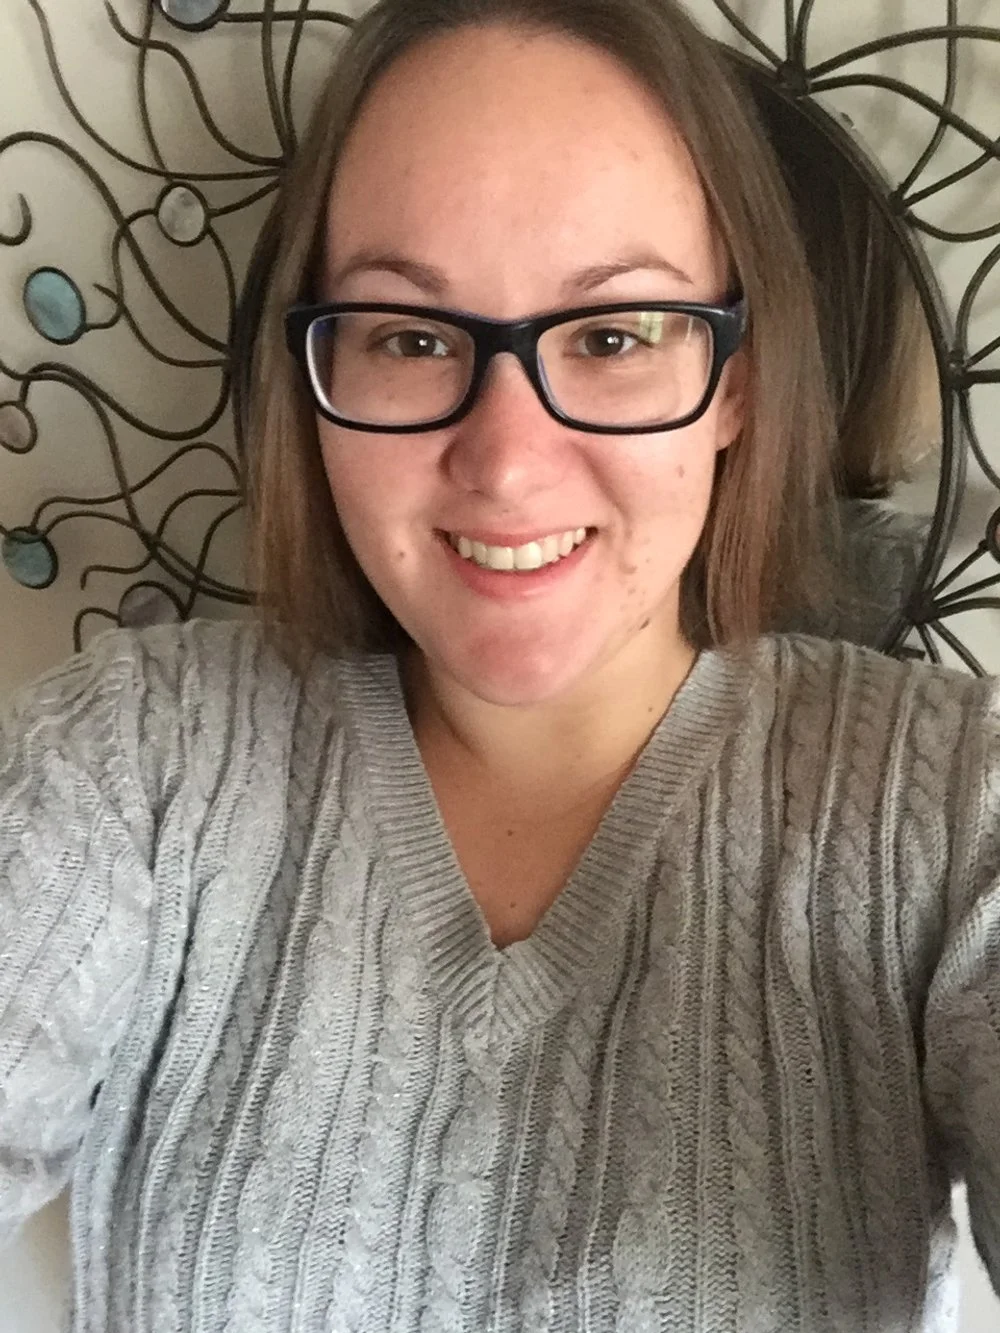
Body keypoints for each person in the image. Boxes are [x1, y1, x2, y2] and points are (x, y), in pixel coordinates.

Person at [1, 0, 998, 1329]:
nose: (509, 463)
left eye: (613, 334)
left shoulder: (946, 809)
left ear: (739, 381)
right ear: (316, 378)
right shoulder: (128, 763)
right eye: (411, 339)